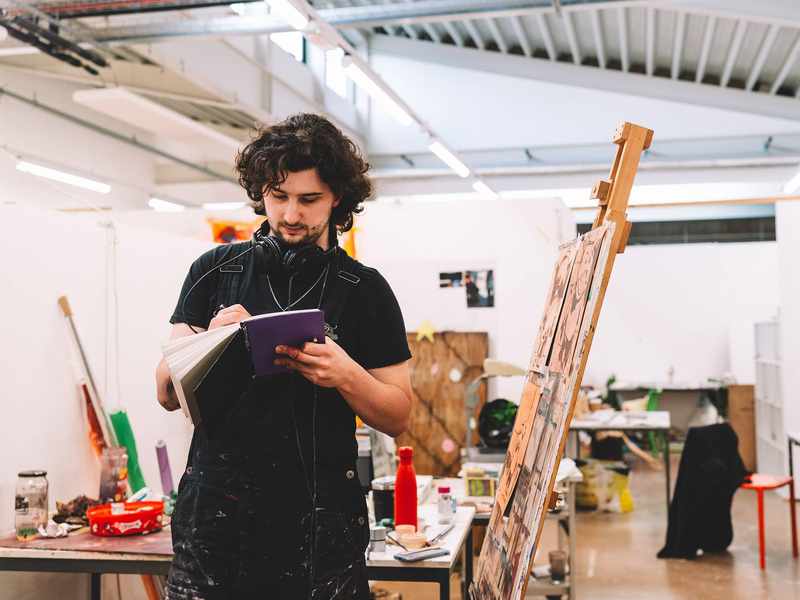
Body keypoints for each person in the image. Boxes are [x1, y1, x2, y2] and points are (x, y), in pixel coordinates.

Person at [155, 113, 413, 599]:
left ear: (338, 198)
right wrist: (205, 340)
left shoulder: (366, 292)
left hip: (321, 526)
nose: (291, 214)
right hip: (214, 521)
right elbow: (166, 392)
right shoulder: (213, 272)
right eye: (279, 197)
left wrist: (345, 373)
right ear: (262, 193)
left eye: (309, 200)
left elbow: (398, 415)